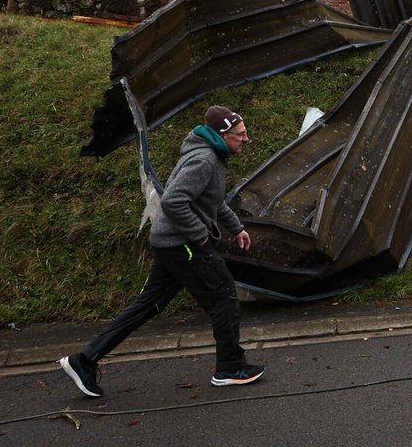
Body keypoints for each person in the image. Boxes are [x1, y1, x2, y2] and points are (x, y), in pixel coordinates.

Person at [60, 105, 264, 396]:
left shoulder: (213, 155)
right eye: (241, 135)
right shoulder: (204, 160)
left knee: (148, 305)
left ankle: (84, 360)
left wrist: (237, 228)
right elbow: (174, 202)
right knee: (224, 298)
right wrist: (200, 238)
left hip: (171, 243)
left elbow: (213, 201)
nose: (246, 139)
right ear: (223, 135)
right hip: (184, 245)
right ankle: (230, 368)